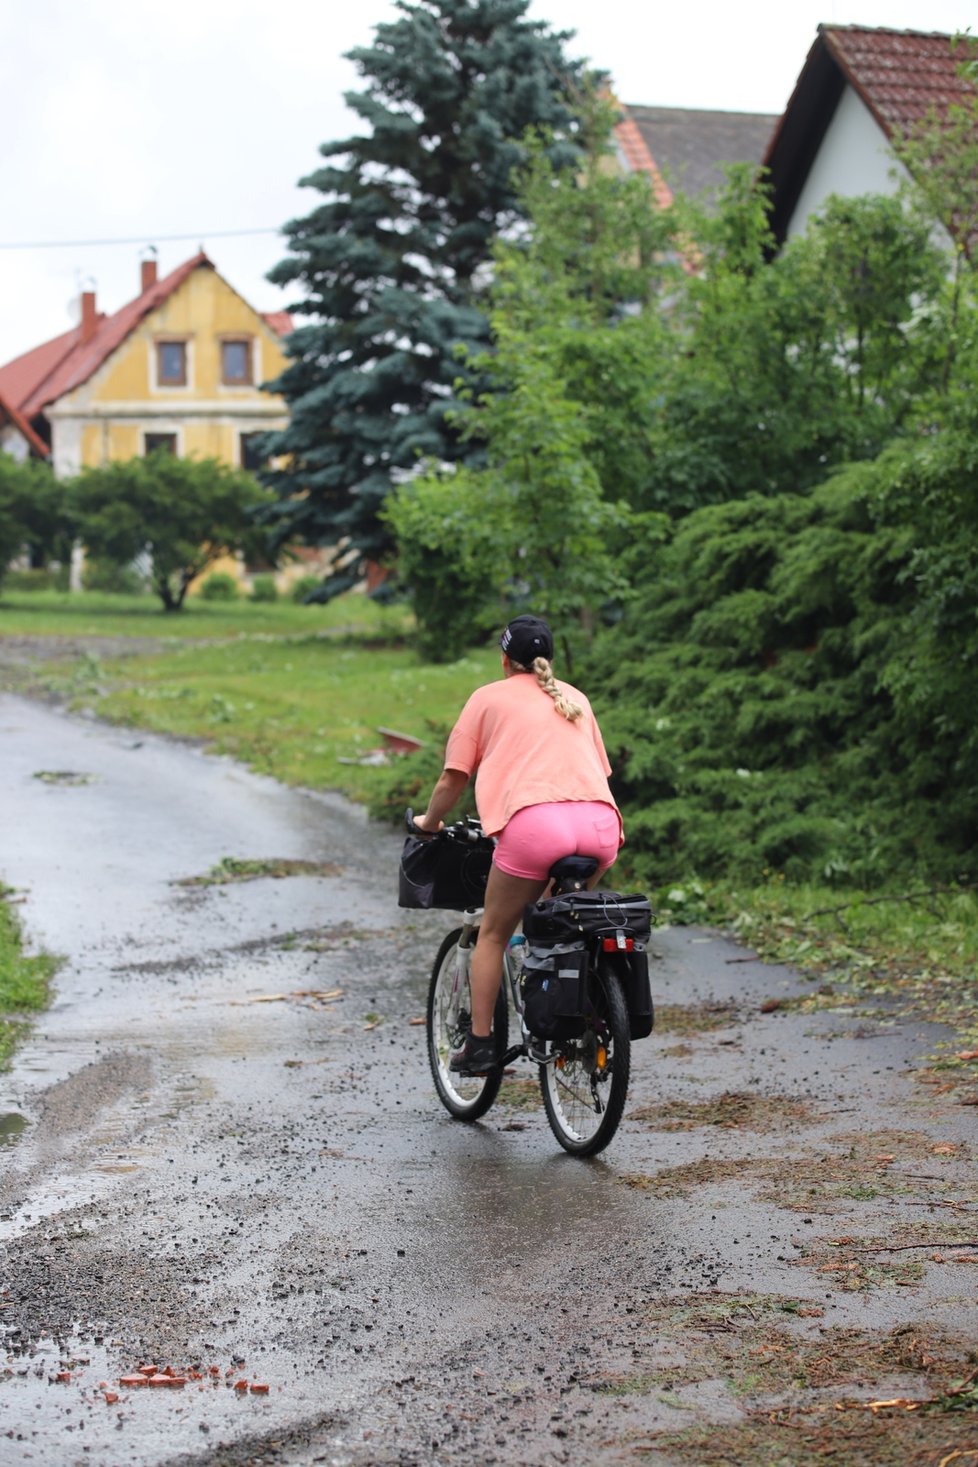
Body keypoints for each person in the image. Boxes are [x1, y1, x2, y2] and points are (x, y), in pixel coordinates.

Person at [413, 614, 623, 1075]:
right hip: (601, 826)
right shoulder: (576, 697)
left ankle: (482, 1046)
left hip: (534, 827)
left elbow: (454, 776)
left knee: (493, 934)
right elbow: (597, 772)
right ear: (546, 657)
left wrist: (429, 822)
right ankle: (582, 1016)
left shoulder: (487, 698)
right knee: (564, 925)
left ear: (505, 660)